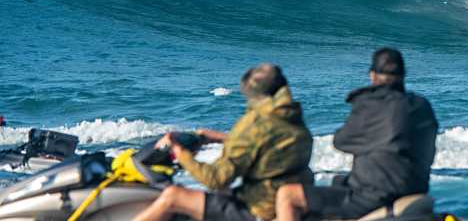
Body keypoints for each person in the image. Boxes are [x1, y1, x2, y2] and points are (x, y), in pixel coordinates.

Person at [132, 63, 313, 221]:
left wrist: (179, 151)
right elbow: (269, 147)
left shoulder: (255, 123)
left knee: (174, 196)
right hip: (288, 202)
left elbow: (216, 179)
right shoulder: (291, 116)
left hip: (259, 209)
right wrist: (224, 138)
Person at [274, 48, 438, 221]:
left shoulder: (370, 104)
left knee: (287, 195)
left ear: (373, 75)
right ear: (404, 75)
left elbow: (341, 141)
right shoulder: (422, 105)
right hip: (416, 189)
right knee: (338, 182)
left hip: (374, 198)